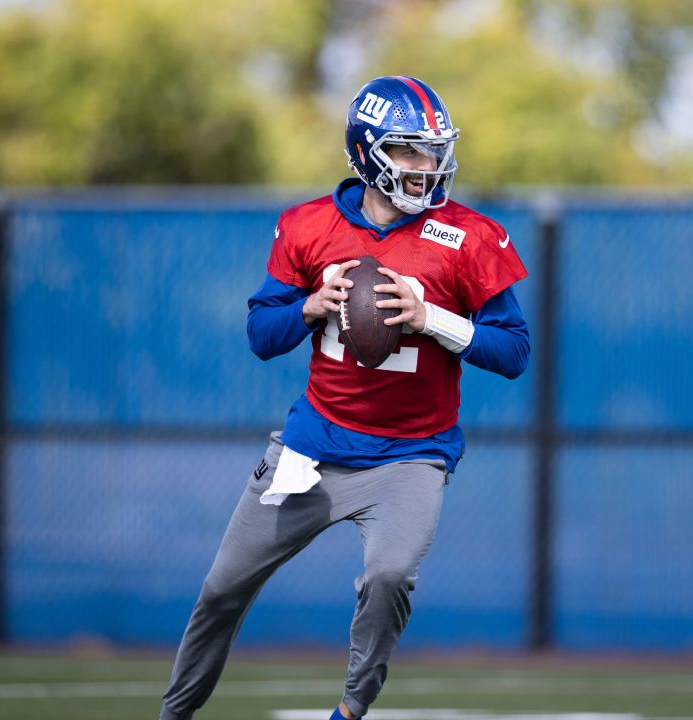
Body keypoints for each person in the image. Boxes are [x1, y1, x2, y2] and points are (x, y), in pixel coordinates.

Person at [158, 76, 530, 720]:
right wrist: (309, 306)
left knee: (389, 578)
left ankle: (350, 710)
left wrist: (429, 317)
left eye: (435, 150)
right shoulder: (308, 226)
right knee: (221, 589)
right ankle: (173, 715)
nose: (429, 166)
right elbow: (260, 336)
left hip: (411, 455)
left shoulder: (470, 236)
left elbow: (515, 351)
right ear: (367, 152)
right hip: (312, 447)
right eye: (410, 150)